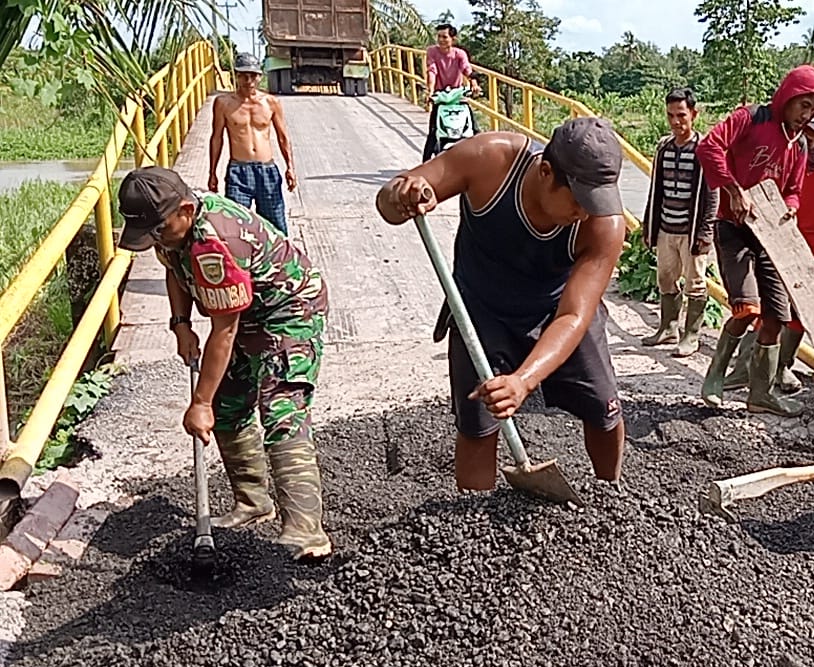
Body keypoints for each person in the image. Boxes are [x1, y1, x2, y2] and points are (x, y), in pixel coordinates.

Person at [375, 118, 629, 491]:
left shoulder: (603, 225)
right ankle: (473, 517)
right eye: (578, 200)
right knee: (479, 422)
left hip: (557, 311)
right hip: (481, 311)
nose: (585, 213)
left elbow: (575, 314)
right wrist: (404, 195)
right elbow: (388, 202)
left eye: (597, 202)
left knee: (603, 407)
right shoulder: (490, 160)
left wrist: (523, 381)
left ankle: (611, 494)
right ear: (545, 171)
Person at [117, 166, 332, 561]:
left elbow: (224, 332)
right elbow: (173, 268)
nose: (155, 241)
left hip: (288, 312)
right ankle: (253, 503)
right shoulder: (169, 228)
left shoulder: (216, 243)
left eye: (159, 231)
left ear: (185, 210)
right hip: (244, 312)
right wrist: (180, 324)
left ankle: (306, 532)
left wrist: (198, 403)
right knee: (227, 404)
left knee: (281, 409)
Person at [695, 65, 814, 417]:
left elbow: (795, 190)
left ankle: (761, 394)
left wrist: (792, 208)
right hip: (734, 228)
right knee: (746, 307)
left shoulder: (798, 145)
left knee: (777, 318)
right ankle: (715, 376)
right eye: (803, 105)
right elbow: (710, 146)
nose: (807, 114)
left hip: (771, 236)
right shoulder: (752, 118)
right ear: (787, 97)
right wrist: (733, 189)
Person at [723, 109, 814, 395]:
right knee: (766, 303)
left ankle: (779, 367)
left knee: (797, 312)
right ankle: (745, 370)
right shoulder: (791, 154)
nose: (813, 145)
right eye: (808, 137)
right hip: (779, 237)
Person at [640, 87, 719, 358]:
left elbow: (712, 196)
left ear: (694, 114)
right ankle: (668, 327)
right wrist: (648, 225)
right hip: (665, 227)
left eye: (681, 115)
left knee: (695, 282)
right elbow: (655, 190)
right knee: (665, 278)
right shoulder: (664, 147)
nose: (676, 121)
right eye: (671, 115)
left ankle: (692, 335)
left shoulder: (704, 150)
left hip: (691, 230)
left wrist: (705, 233)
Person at [209, 52, 296, 236]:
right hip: (238, 172)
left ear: (259, 77)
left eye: (253, 76)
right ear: (237, 76)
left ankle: (281, 263)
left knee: (276, 226)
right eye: (244, 75)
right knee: (235, 227)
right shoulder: (223, 103)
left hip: (267, 171)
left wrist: (290, 168)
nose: (248, 80)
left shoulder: (271, 103)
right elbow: (217, 138)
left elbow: (283, 137)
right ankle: (242, 265)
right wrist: (212, 173)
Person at [422, 23, 482, 162]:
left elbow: (467, 69)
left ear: (453, 39)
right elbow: (432, 71)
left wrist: (474, 83)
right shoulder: (432, 51)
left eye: (444, 37)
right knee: (433, 132)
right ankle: (424, 165)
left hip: (457, 95)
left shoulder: (459, 54)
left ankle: (480, 160)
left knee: (474, 129)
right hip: (441, 97)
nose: (441, 40)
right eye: (439, 37)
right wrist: (430, 91)